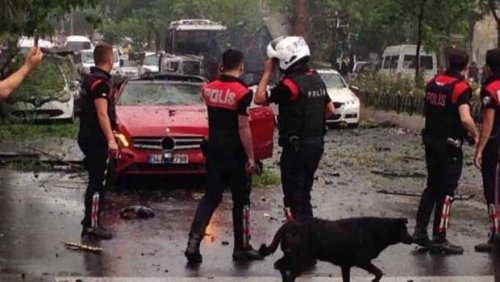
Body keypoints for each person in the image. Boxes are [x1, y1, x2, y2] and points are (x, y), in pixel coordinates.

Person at [184, 49, 262, 263]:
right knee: (241, 201)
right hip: (236, 155)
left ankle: (193, 243)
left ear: (221, 65)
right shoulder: (243, 93)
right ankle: (242, 247)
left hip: (214, 152)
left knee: (210, 198)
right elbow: (243, 126)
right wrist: (251, 157)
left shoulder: (207, 89)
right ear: (241, 66)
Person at [254, 36, 335, 220]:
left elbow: (259, 98)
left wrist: (267, 72)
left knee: (292, 199)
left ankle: (297, 240)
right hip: (316, 145)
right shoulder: (316, 79)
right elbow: (330, 110)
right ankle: (310, 237)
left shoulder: (290, 85)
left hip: (296, 149)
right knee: (305, 195)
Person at [413, 49, 478, 255]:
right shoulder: (460, 88)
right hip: (450, 146)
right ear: (465, 67)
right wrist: (475, 134)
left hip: (431, 143)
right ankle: (439, 237)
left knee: (431, 187)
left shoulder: (433, 83)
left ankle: (420, 230)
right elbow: (465, 118)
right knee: (447, 192)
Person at [78, 44, 118, 240]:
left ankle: (90, 220)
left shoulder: (89, 80)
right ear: (109, 59)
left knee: (103, 177)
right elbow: (102, 114)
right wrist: (111, 140)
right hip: (96, 139)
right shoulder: (100, 84)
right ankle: (92, 225)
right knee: (98, 183)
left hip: (87, 136)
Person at [474, 49, 500, 253]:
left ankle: (496, 234)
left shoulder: (490, 88)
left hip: (495, 146)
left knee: (492, 191)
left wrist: (479, 149)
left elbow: (488, 122)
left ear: (489, 68)